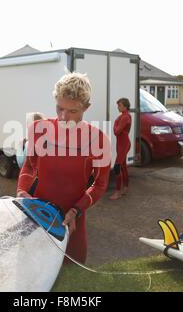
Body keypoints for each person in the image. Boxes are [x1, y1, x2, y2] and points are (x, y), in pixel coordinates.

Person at [17, 72, 111, 264]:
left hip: (72, 222)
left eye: (72, 111)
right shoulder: (38, 129)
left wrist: (76, 210)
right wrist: (21, 190)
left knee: (71, 278)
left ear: (86, 107)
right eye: (59, 108)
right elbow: (29, 166)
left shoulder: (99, 139)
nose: (63, 117)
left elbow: (100, 185)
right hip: (37, 215)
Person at [109, 98, 132, 200]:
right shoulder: (124, 116)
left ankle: (117, 192)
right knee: (123, 167)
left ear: (125, 106)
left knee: (117, 167)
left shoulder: (125, 117)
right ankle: (125, 188)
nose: (118, 107)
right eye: (118, 105)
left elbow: (116, 132)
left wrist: (115, 123)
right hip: (121, 144)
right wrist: (116, 122)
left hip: (123, 145)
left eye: (119, 105)